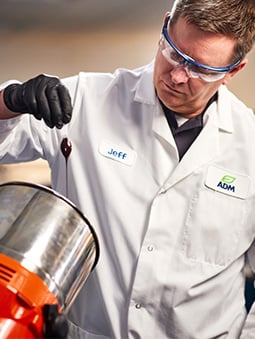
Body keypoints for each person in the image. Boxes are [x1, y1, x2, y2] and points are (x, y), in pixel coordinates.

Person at [0, 0, 255, 337]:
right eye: (175, 53)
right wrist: (10, 101)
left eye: (201, 69)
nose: (178, 76)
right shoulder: (86, 100)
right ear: (164, 27)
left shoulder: (249, 145)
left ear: (233, 71)